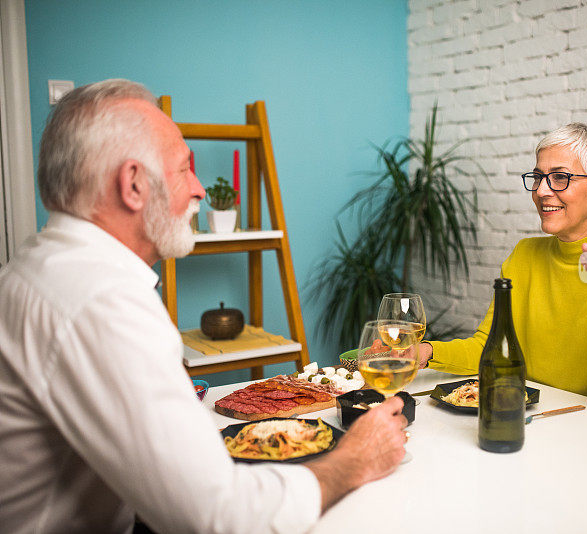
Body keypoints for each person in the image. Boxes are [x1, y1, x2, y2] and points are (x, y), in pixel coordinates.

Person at [0, 79, 408, 533]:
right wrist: (353, 460)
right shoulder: (101, 301)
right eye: (183, 170)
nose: (199, 190)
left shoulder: (37, 266)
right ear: (133, 184)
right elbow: (218, 518)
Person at [419, 123, 587, 415]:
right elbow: (488, 350)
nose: (541, 191)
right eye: (538, 177)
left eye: (560, 178)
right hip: (537, 422)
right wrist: (426, 351)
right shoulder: (524, 256)